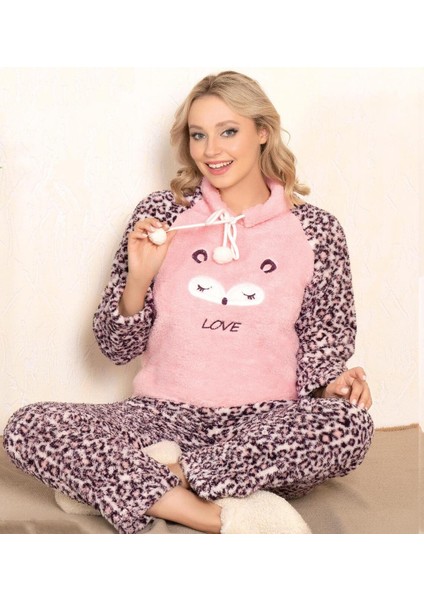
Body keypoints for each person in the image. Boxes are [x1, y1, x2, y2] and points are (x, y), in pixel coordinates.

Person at [3, 71, 374, 534]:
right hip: (159, 416)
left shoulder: (317, 230)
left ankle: (146, 480)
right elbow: (115, 348)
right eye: (199, 135)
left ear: (263, 132)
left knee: (348, 425)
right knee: (28, 425)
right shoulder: (162, 215)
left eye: (228, 131)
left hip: (264, 427)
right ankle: (209, 512)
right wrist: (139, 278)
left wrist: (332, 385)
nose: (211, 150)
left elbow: (324, 345)